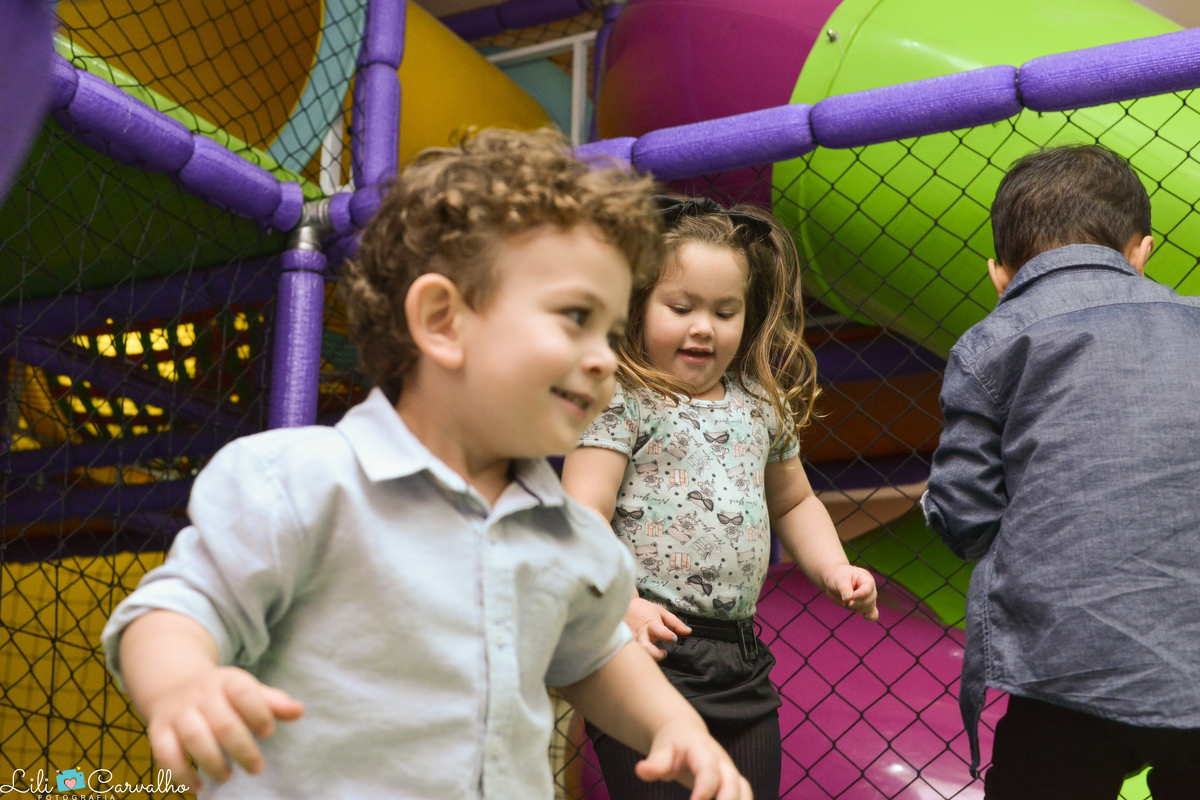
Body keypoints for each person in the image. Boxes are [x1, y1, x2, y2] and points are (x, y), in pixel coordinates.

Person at [100, 129, 754, 800]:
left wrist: (675, 723)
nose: (605, 359)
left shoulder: (573, 540)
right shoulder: (303, 484)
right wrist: (184, 683)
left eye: (611, 332)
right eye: (574, 318)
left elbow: (597, 657)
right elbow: (175, 609)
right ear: (443, 320)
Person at [561, 195, 879, 800]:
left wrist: (836, 568)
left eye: (724, 311)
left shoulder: (760, 404)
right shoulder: (622, 398)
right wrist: (621, 604)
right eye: (680, 307)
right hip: (645, 652)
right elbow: (581, 511)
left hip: (738, 660)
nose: (703, 325)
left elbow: (794, 504)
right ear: (637, 306)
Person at [921, 143, 1200, 798]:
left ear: (999, 273)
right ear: (1142, 252)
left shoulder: (994, 341)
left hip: (1064, 665)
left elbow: (963, 511)